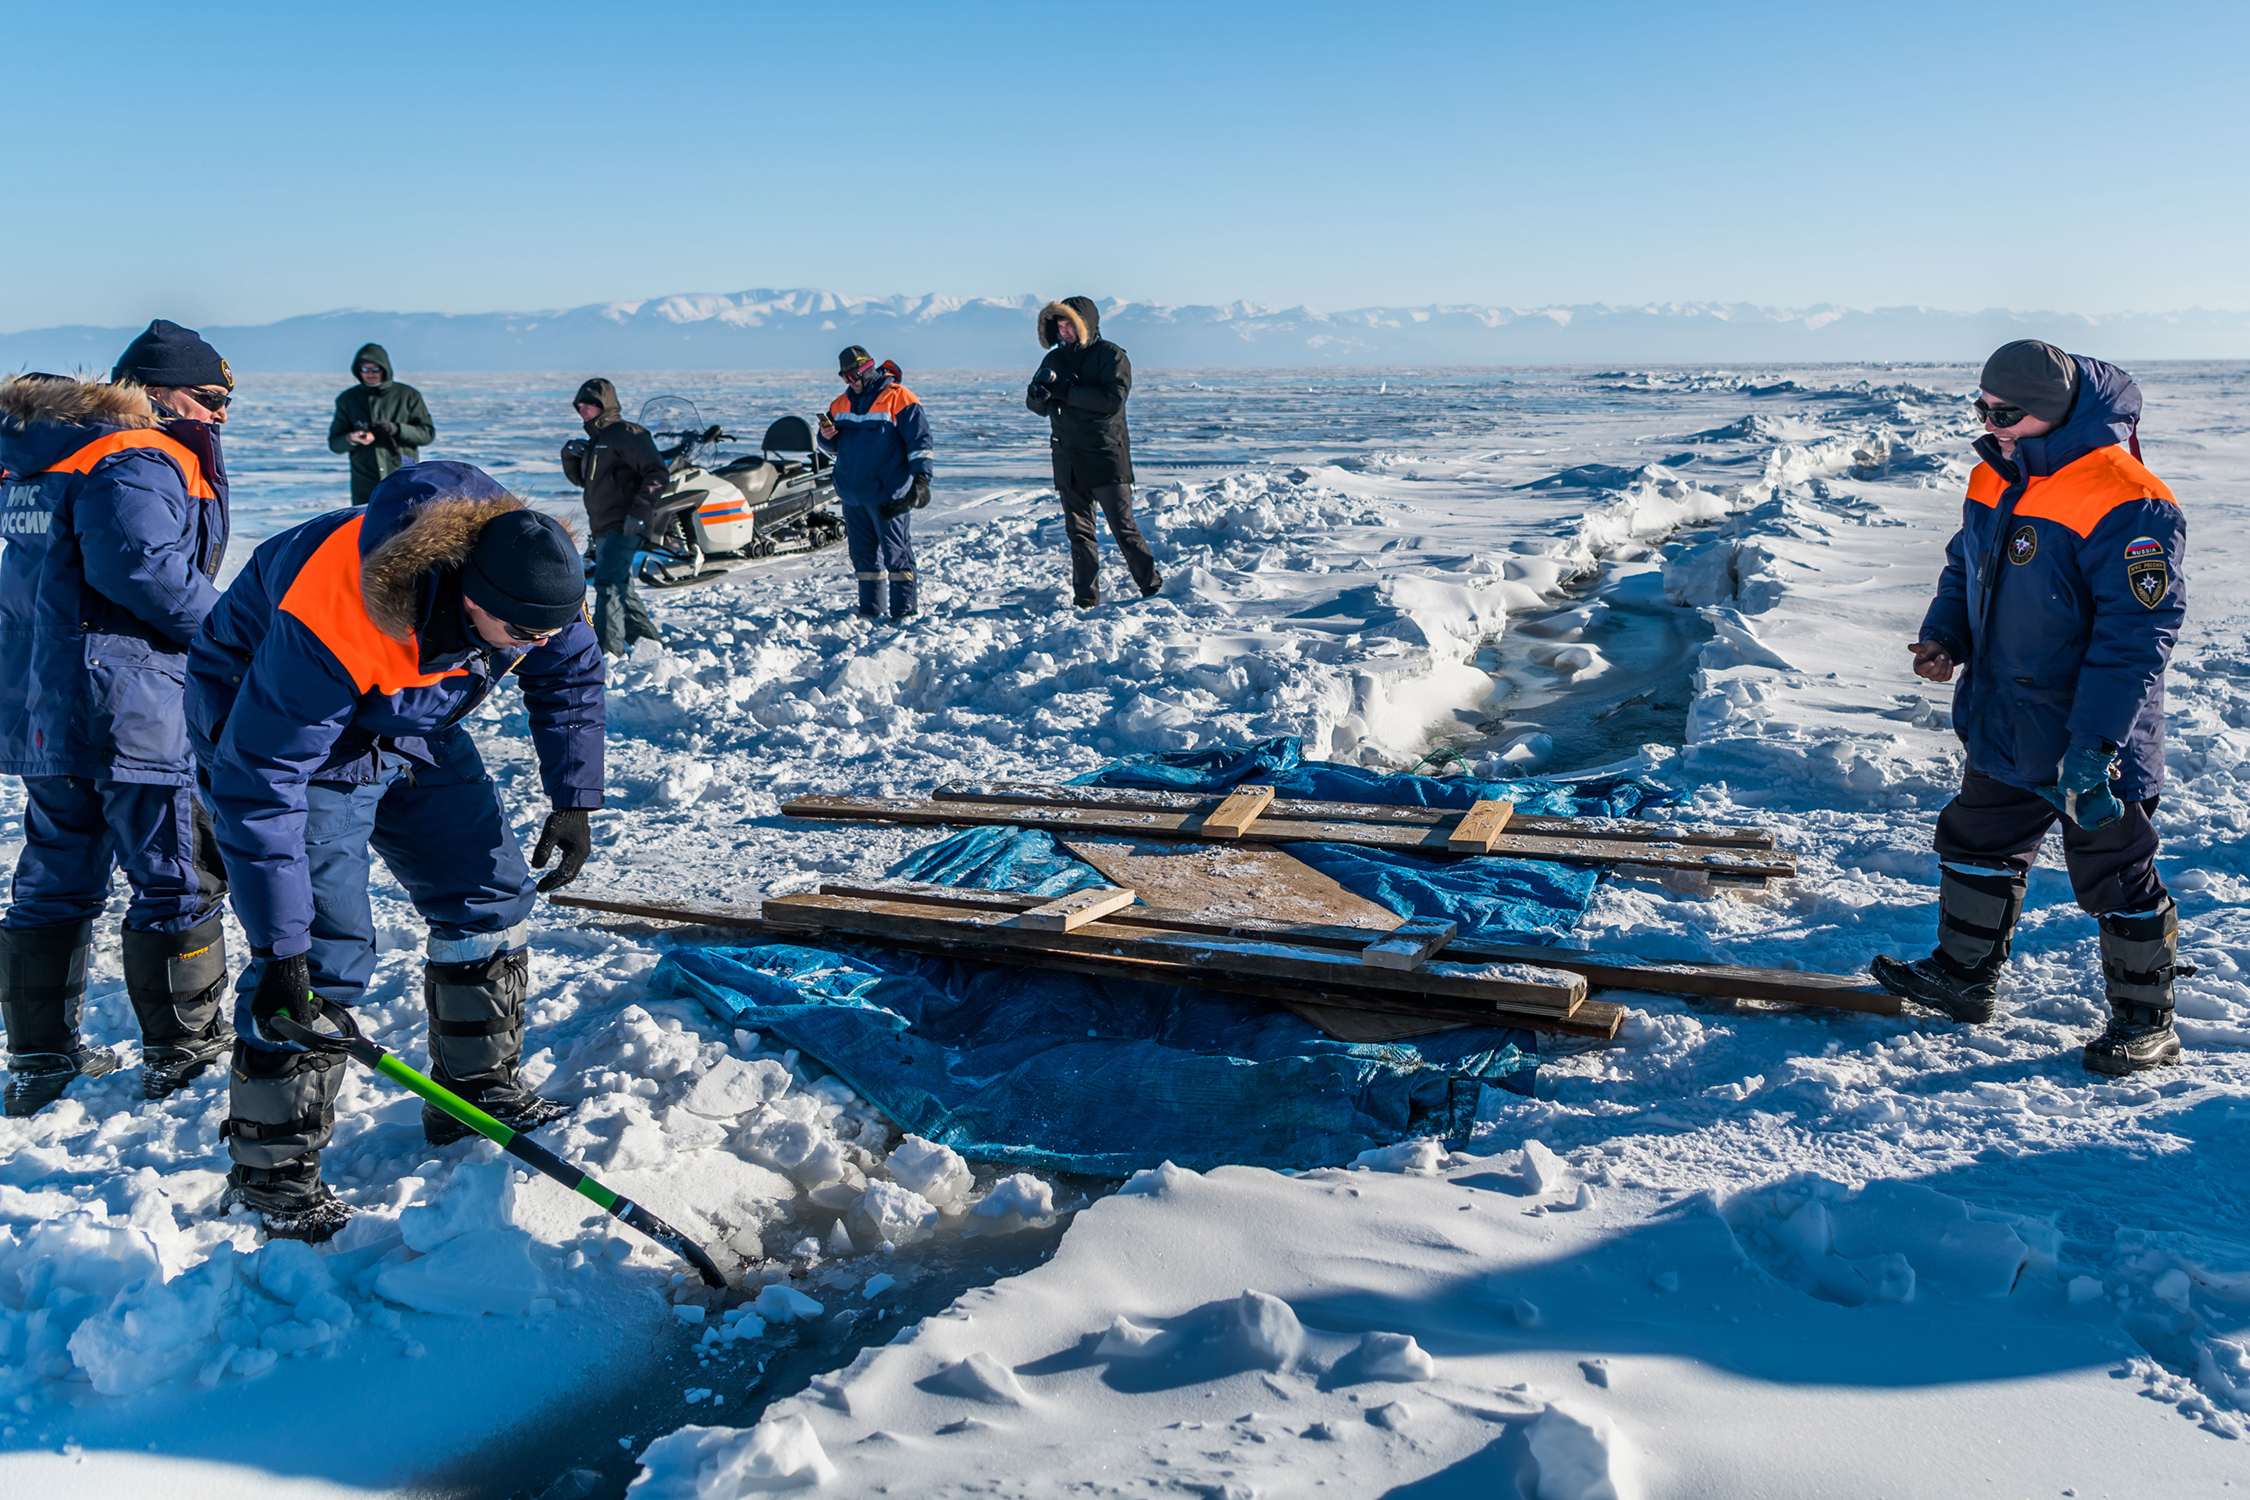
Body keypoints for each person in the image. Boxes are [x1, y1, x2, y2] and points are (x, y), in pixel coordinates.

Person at [186, 462, 604, 1240]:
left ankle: (474, 1092)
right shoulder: (340, 612)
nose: (537, 647)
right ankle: (271, 1174)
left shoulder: (527, 584)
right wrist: (281, 948)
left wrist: (574, 795)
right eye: (522, 636)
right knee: (322, 952)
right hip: (275, 730)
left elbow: (570, 671)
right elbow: (262, 779)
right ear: (470, 594)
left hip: (405, 719)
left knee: (489, 893)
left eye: (549, 629)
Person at [1872, 340, 2187, 1076]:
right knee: (1978, 838)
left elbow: (2138, 638)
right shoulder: (1996, 474)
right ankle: (1962, 978)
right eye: (1982, 407)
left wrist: (2097, 747)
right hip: (2007, 716)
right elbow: (1965, 566)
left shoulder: (2128, 498)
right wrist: (1944, 634)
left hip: (2090, 734)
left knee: (2116, 869)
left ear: (2052, 412)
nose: (1991, 422)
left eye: (2005, 412)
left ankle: (2148, 1023)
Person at [0, 321, 238, 1117]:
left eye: (227, 402)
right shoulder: (135, 454)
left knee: (55, 876)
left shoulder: (49, 459)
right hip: (128, 705)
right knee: (177, 871)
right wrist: (240, 637)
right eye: (207, 398)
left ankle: (40, 1059)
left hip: (49, 707)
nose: (218, 415)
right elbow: (143, 570)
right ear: (150, 390)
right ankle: (186, 1050)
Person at [1025, 297, 1162, 608]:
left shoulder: (1111, 355)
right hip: (1067, 459)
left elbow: (1112, 400)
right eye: (1059, 326)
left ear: (1084, 325)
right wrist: (1036, 398)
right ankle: (1086, 599)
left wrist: (1065, 393)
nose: (1064, 331)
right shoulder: (1054, 360)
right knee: (1079, 535)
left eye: (1069, 324)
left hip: (1105, 457)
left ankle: (1152, 588)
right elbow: (1037, 407)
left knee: (1124, 528)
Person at [817, 347, 932, 621]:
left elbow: (920, 443)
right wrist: (825, 435)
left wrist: (922, 480)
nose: (850, 382)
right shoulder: (839, 405)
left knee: (896, 555)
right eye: (845, 377)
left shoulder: (900, 399)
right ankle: (869, 611)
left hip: (889, 495)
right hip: (853, 495)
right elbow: (830, 447)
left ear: (868, 368)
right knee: (864, 559)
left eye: (853, 375)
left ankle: (904, 613)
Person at [559, 378, 665, 655]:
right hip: (603, 526)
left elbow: (656, 472)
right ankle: (649, 644)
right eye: (579, 405)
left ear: (604, 405)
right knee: (621, 586)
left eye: (590, 404)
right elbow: (582, 480)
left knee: (608, 584)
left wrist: (640, 513)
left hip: (626, 523)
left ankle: (607, 652)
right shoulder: (598, 442)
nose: (583, 409)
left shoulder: (627, 434)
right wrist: (569, 454)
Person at [327, 344, 434, 506]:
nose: (370, 374)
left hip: (402, 475)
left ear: (384, 369)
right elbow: (335, 444)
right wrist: (352, 438)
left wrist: (397, 429)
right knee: (368, 526)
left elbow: (427, 434)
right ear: (358, 371)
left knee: (406, 525)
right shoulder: (348, 399)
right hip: (365, 481)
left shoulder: (408, 396)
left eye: (375, 369)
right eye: (365, 369)